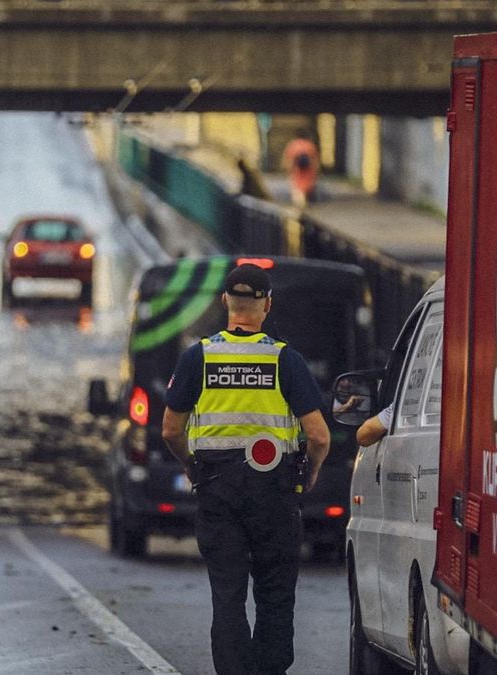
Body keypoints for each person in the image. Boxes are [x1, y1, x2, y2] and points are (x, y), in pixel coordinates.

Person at [161, 263, 331, 675]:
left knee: (228, 593)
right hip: (274, 493)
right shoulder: (284, 360)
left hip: (217, 491)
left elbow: (170, 429)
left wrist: (192, 465)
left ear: (224, 303)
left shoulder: (198, 356)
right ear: (267, 305)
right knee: (275, 592)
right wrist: (309, 472)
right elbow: (320, 435)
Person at [280, 129, 320, 209]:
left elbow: (288, 159)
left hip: (297, 171)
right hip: (308, 171)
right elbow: (315, 159)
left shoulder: (293, 145)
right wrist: (316, 170)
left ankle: (300, 206)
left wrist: (287, 169)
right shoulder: (310, 145)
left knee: (298, 189)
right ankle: (303, 204)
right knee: (305, 188)